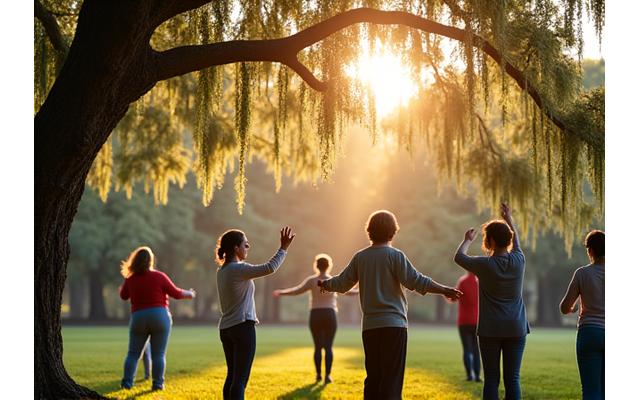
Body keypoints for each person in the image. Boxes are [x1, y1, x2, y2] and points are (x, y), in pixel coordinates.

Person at [318, 210, 462, 400]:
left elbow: (342, 283)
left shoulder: (360, 257)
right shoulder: (395, 256)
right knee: (391, 379)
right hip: (394, 325)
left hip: (370, 327)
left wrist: (325, 284)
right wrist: (445, 289)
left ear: (369, 230)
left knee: (374, 378)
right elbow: (416, 281)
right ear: (393, 231)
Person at [453, 202, 529, 400]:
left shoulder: (484, 265)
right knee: (513, 378)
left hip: (490, 329)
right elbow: (517, 241)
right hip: (516, 327)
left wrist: (467, 240)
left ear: (492, 241)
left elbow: (459, 257)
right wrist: (509, 219)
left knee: (491, 379)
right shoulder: (519, 260)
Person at [216, 227, 295, 400]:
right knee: (240, 380)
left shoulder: (221, 272)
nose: (248, 247)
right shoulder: (238, 269)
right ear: (236, 248)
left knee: (232, 376)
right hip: (242, 327)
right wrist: (283, 248)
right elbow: (270, 268)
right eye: (245, 244)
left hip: (226, 328)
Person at [119, 246, 196, 391]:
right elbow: (176, 293)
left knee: (133, 354)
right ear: (151, 260)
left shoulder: (130, 278)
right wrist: (190, 294)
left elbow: (123, 296)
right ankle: (158, 384)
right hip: (160, 316)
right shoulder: (159, 276)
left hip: (138, 317)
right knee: (159, 354)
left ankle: (127, 383)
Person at [273, 254, 358, 384]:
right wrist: (360, 289)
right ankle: (328, 376)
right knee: (328, 347)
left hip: (316, 314)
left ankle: (318, 375)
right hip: (330, 314)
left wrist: (282, 293)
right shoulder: (334, 280)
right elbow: (348, 291)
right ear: (329, 266)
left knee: (318, 347)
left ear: (316, 266)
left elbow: (297, 290)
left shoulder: (312, 281)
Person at [559, 230, 605, 400]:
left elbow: (564, 307)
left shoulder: (582, 273)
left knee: (591, 390)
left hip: (589, 332)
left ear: (590, 250)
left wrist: (572, 309)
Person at [454, 271, 481, 382]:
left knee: (467, 349)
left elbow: (454, 297)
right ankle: (478, 376)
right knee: (476, 349)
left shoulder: (462, 282)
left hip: (463, 321)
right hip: (476, 321)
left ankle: (469, 375)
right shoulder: (480, 283)